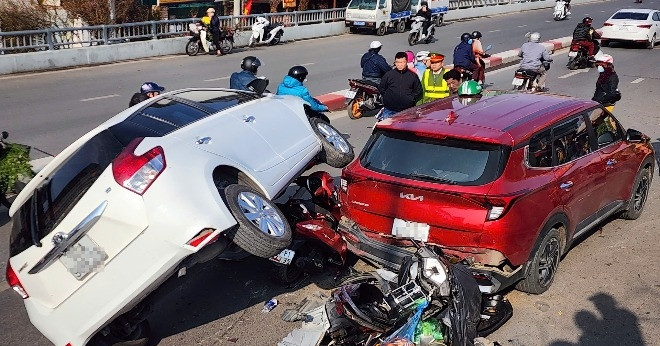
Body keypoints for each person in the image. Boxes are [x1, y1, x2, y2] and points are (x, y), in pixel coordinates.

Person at [378, 52, 423, 120]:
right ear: (395, 62)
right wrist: (387, 98)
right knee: (387, 130)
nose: (400, 65)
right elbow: (382, 88)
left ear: (406, 62)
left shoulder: (413, 76)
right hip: (390, 110)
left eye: (402, 62)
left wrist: (410, 98)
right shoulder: (389, 75)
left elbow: (418, 90)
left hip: (407, 111)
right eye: (397, 62)